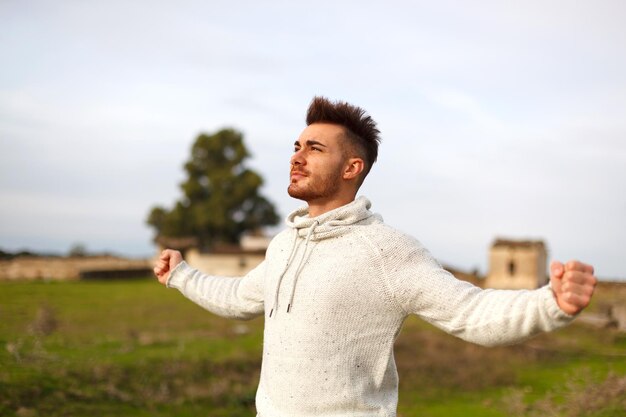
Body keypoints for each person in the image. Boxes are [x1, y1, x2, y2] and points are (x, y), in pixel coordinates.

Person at [154, 96, 597, 417]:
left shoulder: (387, 251)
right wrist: (182, 274)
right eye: (296, 146)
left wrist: (550, 304)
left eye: (315, 148)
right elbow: (239, 300)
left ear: (352, 169)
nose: (297, 157)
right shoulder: (285, 244)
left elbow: (471, 312)